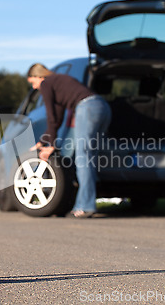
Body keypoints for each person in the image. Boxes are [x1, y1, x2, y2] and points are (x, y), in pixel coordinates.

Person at [27, 63, 112, 218]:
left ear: (39, 76)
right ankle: (82, 204)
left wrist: (51, 146)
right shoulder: (59, 81)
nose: (34, 87)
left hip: (87, 108)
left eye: (33, 83)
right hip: (103, 107)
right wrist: (43, 141)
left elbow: (51, 116)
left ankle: (86, 206)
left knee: (83, 158)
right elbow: (57, 119)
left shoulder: (46, 84)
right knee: (90, 157)